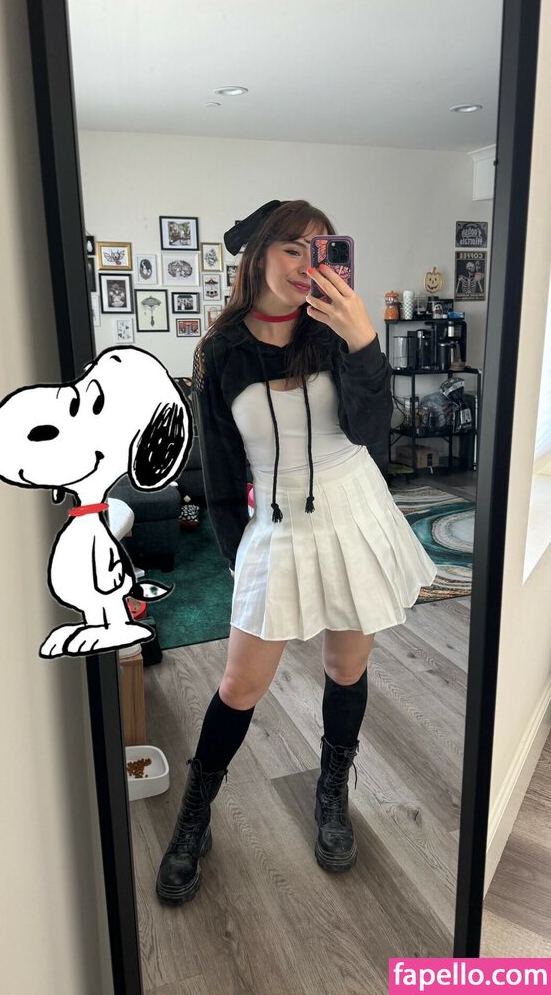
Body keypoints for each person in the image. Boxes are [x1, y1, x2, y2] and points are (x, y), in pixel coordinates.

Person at [156, 199, 437, 906]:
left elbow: (372, 434)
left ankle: (331, 790)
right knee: (239, 686)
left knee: (346, 668)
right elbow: (223, 472)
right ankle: (194, 816)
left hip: (354, 511)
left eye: (320, 250)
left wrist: (365, 344)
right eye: (292, 249)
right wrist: (235, 556)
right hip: (275, 522)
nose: (307, 265)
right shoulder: (220, 353)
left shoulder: (336, 332)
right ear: (257, 255)